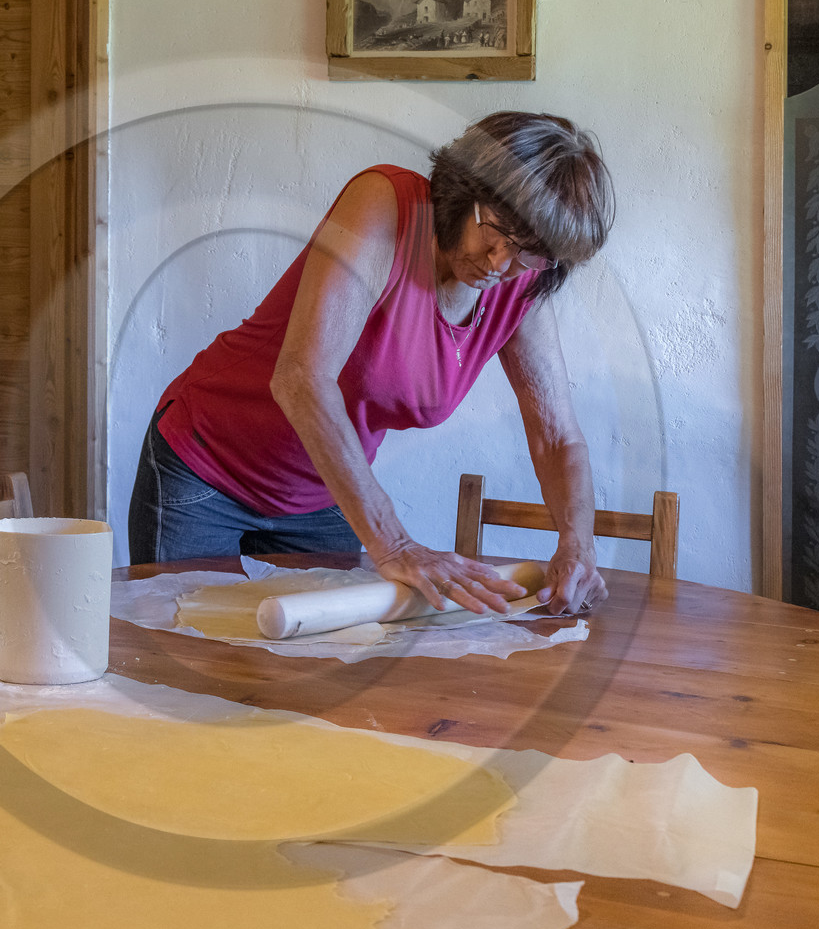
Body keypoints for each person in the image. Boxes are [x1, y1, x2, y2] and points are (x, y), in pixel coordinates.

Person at [128, 112, 614, 616]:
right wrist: (395, 543)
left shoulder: (522, 286)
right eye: (495, 230)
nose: (498, 263)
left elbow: (557, 436)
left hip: (321, 495)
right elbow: (302, 379)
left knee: (315, 656)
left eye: (528, 254)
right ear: (464, 189)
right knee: (183, 644)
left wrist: (578, 545)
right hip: (208, 466)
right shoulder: (385, 205)